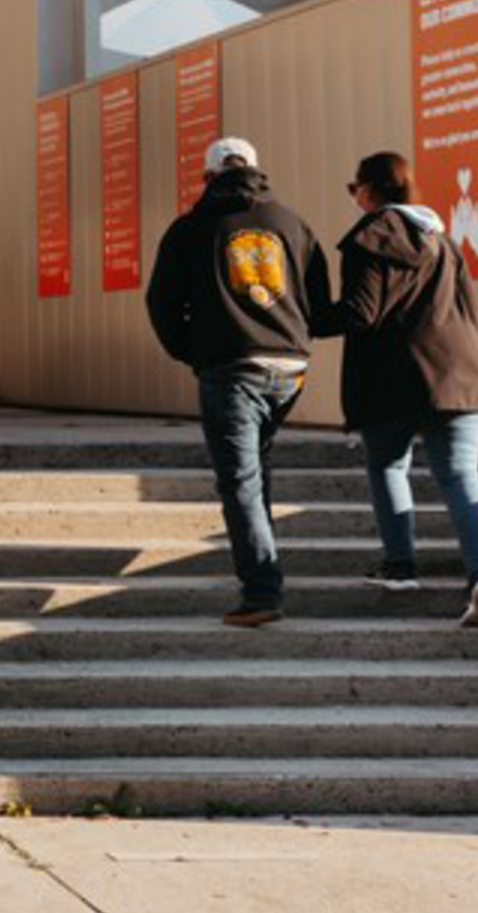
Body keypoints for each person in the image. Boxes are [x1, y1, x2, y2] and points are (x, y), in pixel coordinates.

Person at [142, 134, 334, 627]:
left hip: (231, 368)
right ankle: (262, 572)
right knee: (255, 471)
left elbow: (161, 303)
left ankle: (263, 593)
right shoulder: (293, 224)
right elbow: (317, 301)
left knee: (241, 482)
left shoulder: (189, 229)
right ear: (257, 170)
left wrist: (193, 351)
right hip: (289, 370)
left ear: (208, 177)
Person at [326, 148, 478, 628]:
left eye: (353, 189)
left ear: (369, 190)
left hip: (395, 379)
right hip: (462, 373)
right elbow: (468, 309)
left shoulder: (370, 236)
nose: (353, 198)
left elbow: (360, 313)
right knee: (462, 474)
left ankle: (401, 566)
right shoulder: (441, 240)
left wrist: (300, 316)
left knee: (387, 464)